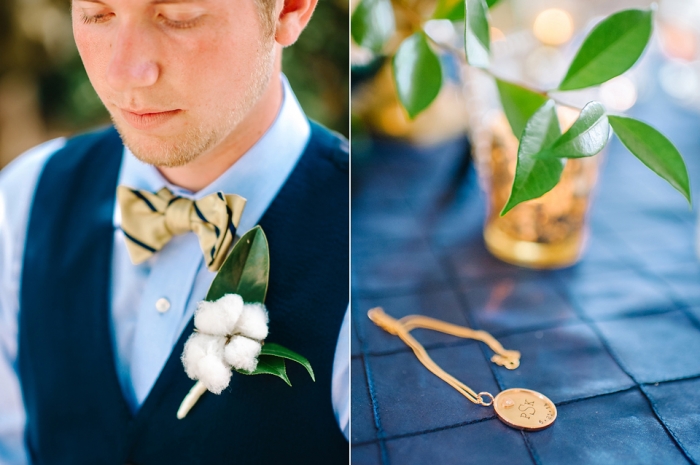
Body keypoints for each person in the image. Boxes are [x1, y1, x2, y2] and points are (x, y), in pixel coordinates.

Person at [0, 0, 349, 463]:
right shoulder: (24, 201)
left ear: (290, 9)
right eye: (96, 13)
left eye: (178, 15)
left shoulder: (361, 247)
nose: (125, 72)